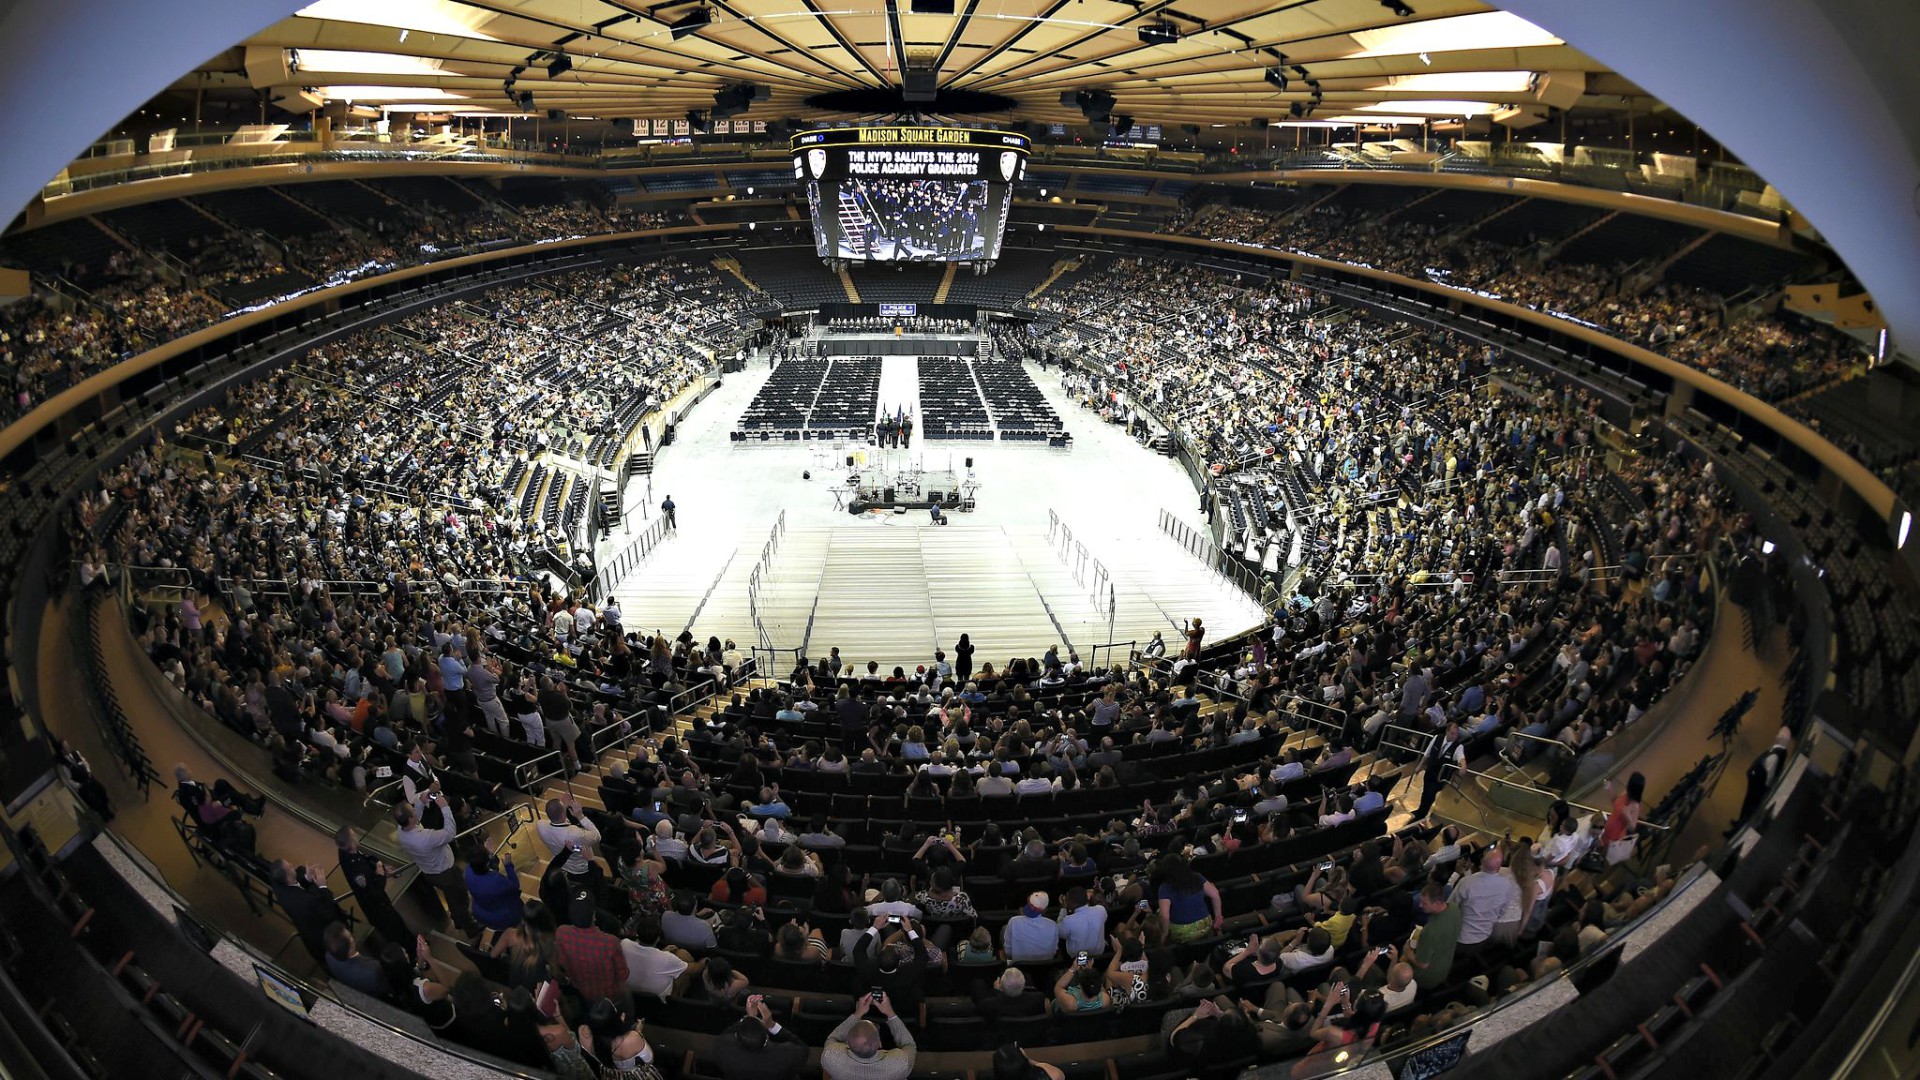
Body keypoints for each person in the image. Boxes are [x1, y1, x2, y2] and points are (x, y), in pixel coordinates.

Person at [396, 791, 479, 937]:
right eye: (412, 810)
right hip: (445, 872)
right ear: (409, 818)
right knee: (460, 898)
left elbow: (416, 817)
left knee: (450, 895)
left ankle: (457, 919)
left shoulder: (402, 830)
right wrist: (445, 808)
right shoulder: (424, 838)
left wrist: (421, 802)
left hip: (430, 872)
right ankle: (470, 927)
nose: (415, 810)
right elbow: (449, 833)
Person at [336, 827, 413, 949]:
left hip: (381, 906)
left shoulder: (348, 853)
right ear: (351, 844)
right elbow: (374, 891)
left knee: (400, 926)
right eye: (354, 836)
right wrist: (380, 875)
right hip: (379, 911)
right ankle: (413, 955)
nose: (357, 837)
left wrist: (379, 869)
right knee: (397, 933)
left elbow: (366, 861)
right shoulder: (355, 868)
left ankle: (414, 947)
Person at [820, 991, 916, 1080]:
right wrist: (890, 1013)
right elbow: (909, 1044)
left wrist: (858, 1014)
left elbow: (833, 1038)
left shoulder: (831, 1057)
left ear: (847, 1042)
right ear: (880, 1043)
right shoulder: (899, 1064)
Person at [710, 994, 808, 1080]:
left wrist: (749, 1019)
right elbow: (803, 1048)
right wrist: (771, 1025)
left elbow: (724, 1036)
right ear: (766, 1039)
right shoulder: (785, 1055)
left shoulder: (722, 1049)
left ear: (736, 1037)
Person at [1729, 728, 1791, 835]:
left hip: (1758, 786)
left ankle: (1735, 831)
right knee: (1747, 804)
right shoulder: (1780, 750)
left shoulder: (1776, 754)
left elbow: (1769, 774)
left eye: (1780, 733)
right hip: (1757, 784)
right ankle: (1739, 822)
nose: (1777, 734)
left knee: (1749, 808)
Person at [1156, 854, 1224, 943]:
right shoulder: (1197, 876)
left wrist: (1164, 934)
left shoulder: (1165, 888)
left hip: (1182, 932)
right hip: (1205, 925)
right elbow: (1215, 894)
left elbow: (1164, 916)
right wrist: (1218, 918)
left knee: (1158, 912)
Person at [536, 794, 602, 882]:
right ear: (563, 814)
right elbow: (597, 836)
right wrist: (580, 815)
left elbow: (559, 824)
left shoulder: (540, 825)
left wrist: (563, 807)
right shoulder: (574, 834)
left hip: (563, 864)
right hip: (580, 869)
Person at [1415, 720, 1466, 822]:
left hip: (1440, 777)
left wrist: (1463, 765)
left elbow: (1461, 758)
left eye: (1456, 734)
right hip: (1430, 772)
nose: (1454, 736)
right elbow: (1427, 753)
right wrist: (1419, 766)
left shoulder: (1458, 747)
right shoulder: (1437, 738)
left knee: (1430, 794)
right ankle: (1420, 810)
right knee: (1425, 792)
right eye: (1452, 733)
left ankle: (1422, 815)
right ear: (1447, 731)